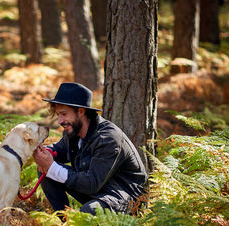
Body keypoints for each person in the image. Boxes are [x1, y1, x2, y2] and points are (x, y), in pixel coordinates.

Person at [33, 82, 147, 215]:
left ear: (81, 111)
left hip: (128, 198)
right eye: (58, 115)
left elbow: (91, 184)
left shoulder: (108, 139)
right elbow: (59, 149)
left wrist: (52, 167)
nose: (59, 121)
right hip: (100, 189)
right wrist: (45, 153)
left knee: (90, 210)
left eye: (64, 114)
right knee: (46, 170)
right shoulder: (73, 131)